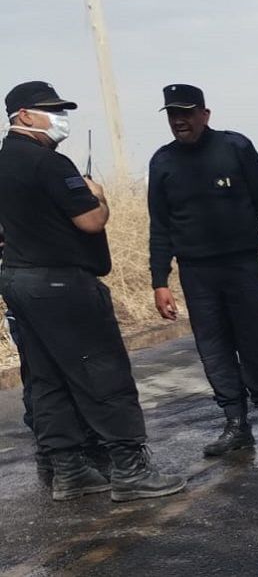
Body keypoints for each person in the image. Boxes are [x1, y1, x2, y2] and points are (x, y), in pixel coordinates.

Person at [0, 81, 186, 502]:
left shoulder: (2, 162)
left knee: (47, 379)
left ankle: (69, 473)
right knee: (102, 372)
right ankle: (129, 471)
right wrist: (99, 196)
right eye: (51, 110)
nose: (60, 117)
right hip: (63, 285)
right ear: (23, 116)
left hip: (19, 281)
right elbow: (90, 222)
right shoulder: (51, 164)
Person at [148, 84, 258, 463]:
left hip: (242, 266)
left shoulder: (235, 148)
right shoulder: (162, 162)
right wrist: (159, 281)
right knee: (213, 352)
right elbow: (160, 227)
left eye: (186, 112)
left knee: (256, 347)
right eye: (172, 115)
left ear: (205, 114)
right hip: (196, 274)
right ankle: (236, 426)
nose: (179, 120)